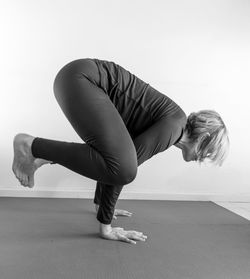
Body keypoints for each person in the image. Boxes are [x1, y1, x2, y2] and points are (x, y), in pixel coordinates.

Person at [12, 58, 229, 245]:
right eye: (208, 153)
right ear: (204, 138)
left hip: (75, 77)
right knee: (125, 168)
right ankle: (30, 145)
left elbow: (113, 161)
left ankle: (40, 155)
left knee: (118, 161)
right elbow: (123, 170)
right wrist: (105, 226)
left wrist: (102, 206)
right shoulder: (173, 128)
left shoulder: (173, 123)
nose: (202, 159)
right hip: (83, 79)